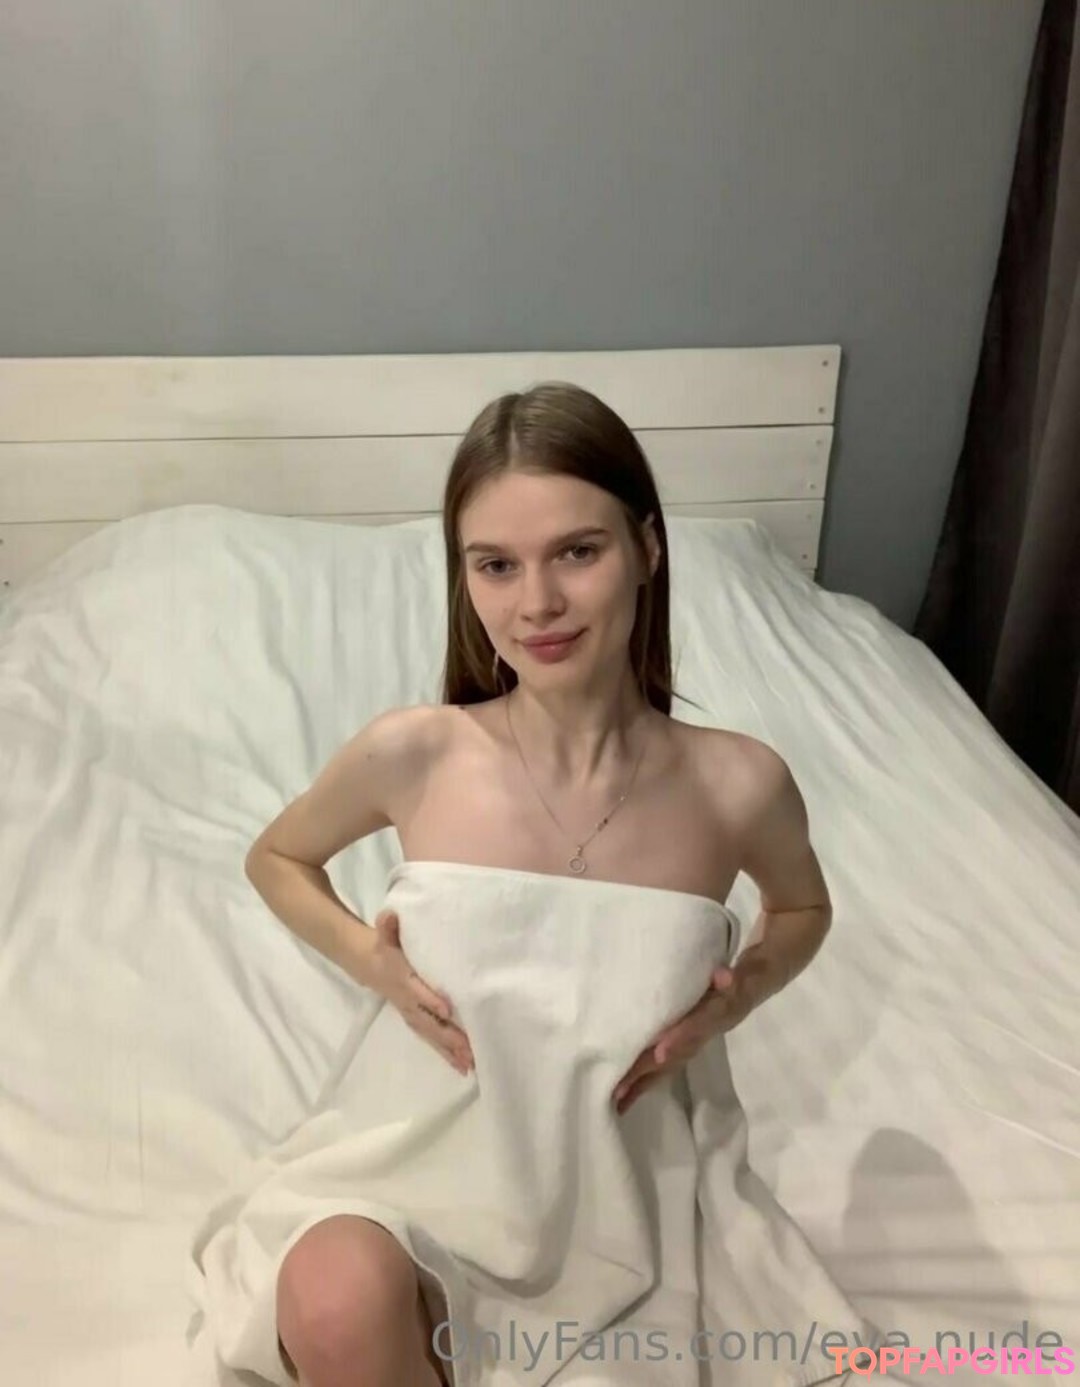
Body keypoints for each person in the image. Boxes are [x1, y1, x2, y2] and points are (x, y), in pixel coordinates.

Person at [242, 382, 834, 1387]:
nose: (537, 604)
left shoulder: (738, 783)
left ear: (647, 548)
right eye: (496, 564)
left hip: (618, 1205)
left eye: (577, 551)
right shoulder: (417, 751)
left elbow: (804, 908)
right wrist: (371, 964)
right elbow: (277, 857)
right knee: (335, 1294)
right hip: (407, 1169)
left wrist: (740, 997)